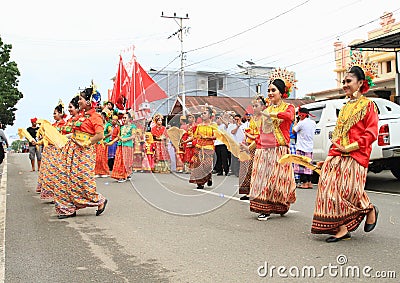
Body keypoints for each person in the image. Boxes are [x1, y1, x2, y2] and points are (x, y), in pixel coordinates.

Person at [311, 65, 379, 242]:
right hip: (337, 155)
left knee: (349, 192)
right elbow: (339, 135)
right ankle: (342, 228)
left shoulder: (368, 105)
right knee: (327, 188)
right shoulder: (345, 107)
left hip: (356, 155)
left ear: (361, 83)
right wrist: (328, 158)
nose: (345, 85)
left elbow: (371, 133)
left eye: (348, 81)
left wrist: (350, 148)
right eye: (344, 81)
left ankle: (369, 209)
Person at [245, 76, 296, 220]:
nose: (270, 93)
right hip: (264, 150)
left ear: (281, 92)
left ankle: (280, 205)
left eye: (273, 90)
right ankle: (264, 208)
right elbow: (262, 134)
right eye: (268, 90)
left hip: (279, 150)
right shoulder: (265, 110)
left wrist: (271, 114)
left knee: (279, 181)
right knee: (262, 179)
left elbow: (289, 117)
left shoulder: (288, 107)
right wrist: (250, 147)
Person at [53, 87, 108, 219]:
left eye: (81, 99)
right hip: (72, 149)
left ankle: (99, 200)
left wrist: (87, 143)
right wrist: (63, 138)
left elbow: (100, 135)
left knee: (83, 180)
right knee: (66, 178)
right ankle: (68, 208)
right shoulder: (81, 116)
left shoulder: (96, 117)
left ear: (89, 101)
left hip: (85, 152)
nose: (79, 101)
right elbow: (76, 132)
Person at [238, 97, 265, 200]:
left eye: (256, 106)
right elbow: (249, 132)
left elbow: (260, 136)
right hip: (249, 145)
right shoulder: (253, 118)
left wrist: (250, 141)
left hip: (257, 147)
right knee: (246, 169)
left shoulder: (264, 118)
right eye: (253, 106)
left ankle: (255, 191)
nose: (254, 108)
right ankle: (248, 190)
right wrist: (245, 141)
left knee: (254, 170)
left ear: (262, 107)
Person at [189, 106, 217, 189]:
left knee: (207, 165)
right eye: (202, 113)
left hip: (208, 147)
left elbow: (215, 136)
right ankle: (200, 183)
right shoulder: (199, 126)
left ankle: (209, 176)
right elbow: (195, 136)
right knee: (198, 165)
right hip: (199, 147)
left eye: (205, 113)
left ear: (210, 115)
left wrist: (205, 137)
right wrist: (186, 142)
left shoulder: (213, 125)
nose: (203, 115)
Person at [293, 107, 316, 189]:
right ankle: (310, 183)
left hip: (301, 146)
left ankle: (305, 183)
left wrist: (296, 122)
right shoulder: (313, 122)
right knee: (309, 166)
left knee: (302, 166)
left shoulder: (301, 123)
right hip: (310, 147)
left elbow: (294, 130)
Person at [111, 112, 136, 182]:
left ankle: (124, 175)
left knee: (126, 161)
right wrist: (111, 143)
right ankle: (120, 175)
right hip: (120, 145)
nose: (124, 119)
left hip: (127, 146)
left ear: (130, 119)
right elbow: (118, 136)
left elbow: (133, 136)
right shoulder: (121, 127)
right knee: (119, 160)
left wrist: (125, 139)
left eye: (125, 118)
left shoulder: (133, 126)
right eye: (123, 118)